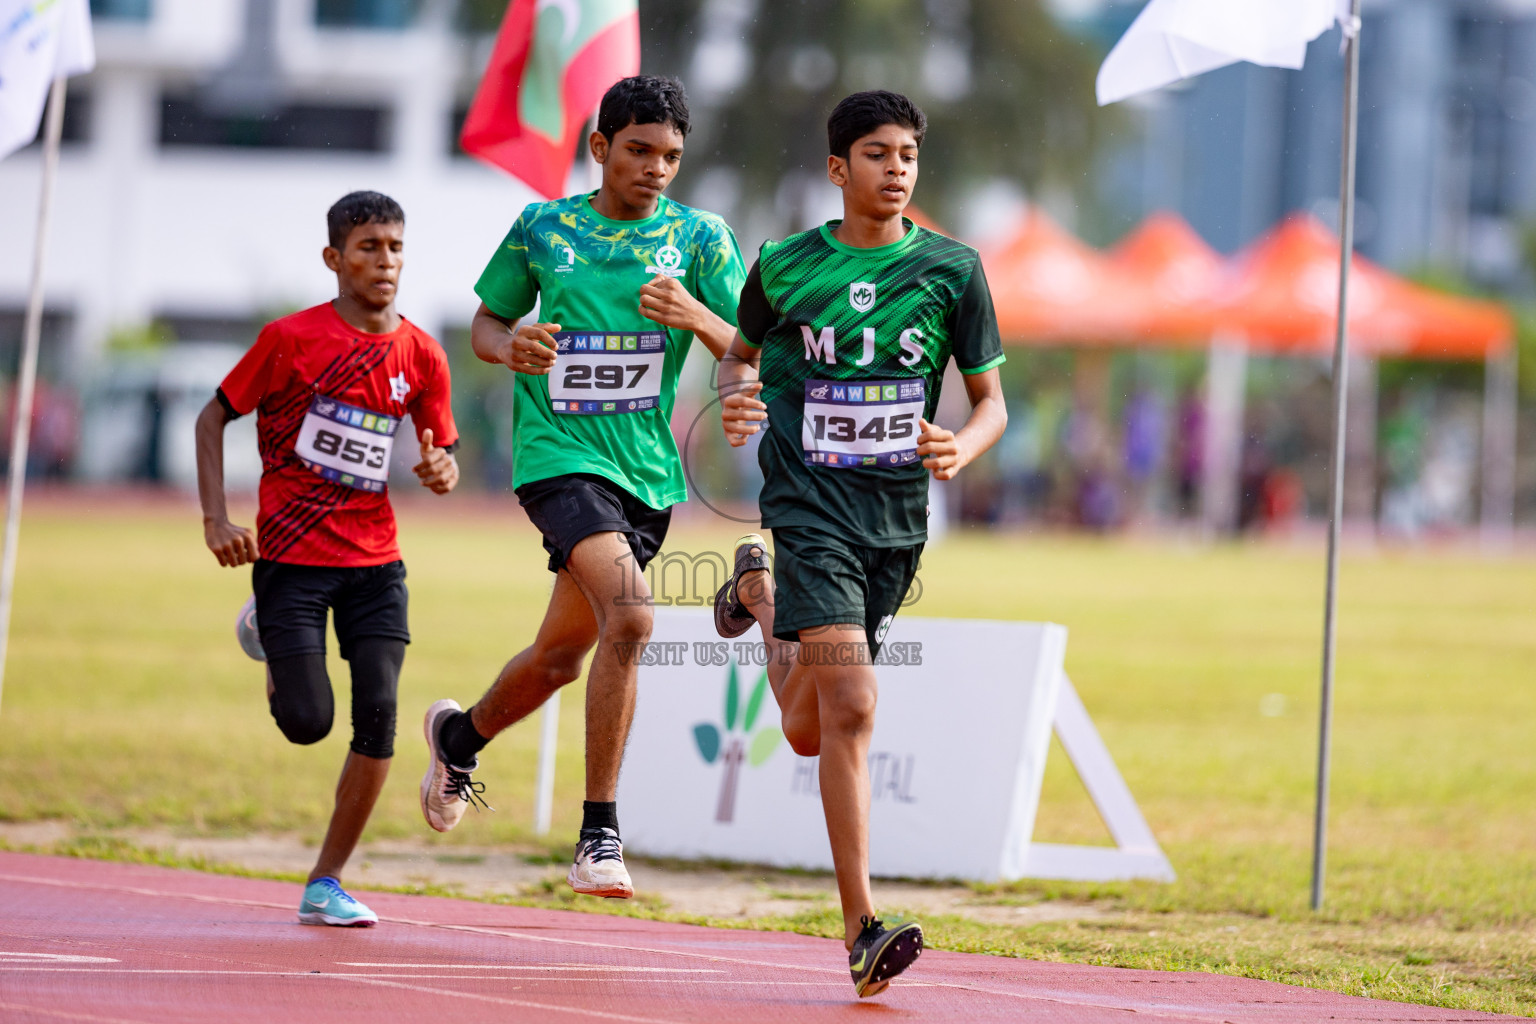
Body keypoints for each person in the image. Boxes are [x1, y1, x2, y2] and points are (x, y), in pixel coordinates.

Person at [419, 76, 746, 901]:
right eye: (639, 151)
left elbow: (751, 345)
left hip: (647, 476)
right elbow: (486, 324)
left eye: (671, 156)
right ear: (600, 149)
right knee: (633, 614)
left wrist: (697, 321)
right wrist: (512, 345)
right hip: (557, 457)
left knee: (563, 657)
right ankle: (599, 834)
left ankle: (459, 737)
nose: (656, 169)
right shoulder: (543, 226)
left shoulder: (701, 238)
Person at [713, 91, 1007, 998]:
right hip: (809, 509)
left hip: (897, 524)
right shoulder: (785, 265)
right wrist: (735, 394)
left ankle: (755, 598)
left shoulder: (954, 270)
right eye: (878, 153)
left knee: (808, 729)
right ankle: (862, 929)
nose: (898, 167)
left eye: (910, 153)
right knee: (854, 700)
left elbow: (994, 401)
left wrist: (963, 442)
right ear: (839, 169)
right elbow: (737, 351)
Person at [195, 191, 460, 926]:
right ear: (334, 258)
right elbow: (212, 416)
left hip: (376, 564)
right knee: (308, 723)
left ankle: (326, 881)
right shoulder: (289, 339)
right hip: (291, 559)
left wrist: (444, 474)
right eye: (369, 246)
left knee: (379, 719)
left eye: (396, 247)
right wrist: (217, 518)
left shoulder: (422, 353)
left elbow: (445, 452)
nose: (385, 261)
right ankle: (271, 635)